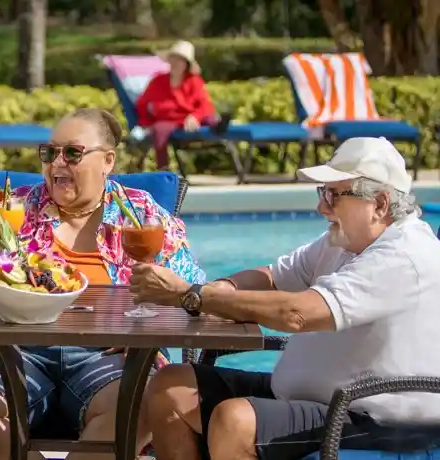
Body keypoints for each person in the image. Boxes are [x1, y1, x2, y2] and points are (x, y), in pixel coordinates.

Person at [129, 136, 440, 460]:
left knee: (235, 421)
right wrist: (223, 289)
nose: (322, 207)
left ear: (379, 204)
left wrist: (194, 296)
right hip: (318, 399)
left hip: (380, 422)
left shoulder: (403, 257)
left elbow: (298, 314)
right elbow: (274, 277)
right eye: (323, 193)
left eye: (334, 195)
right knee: (171, 387)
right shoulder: (343, 241)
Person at [0, 108, 206, 460]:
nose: (57, 163)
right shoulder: (14, 208)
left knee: (143, 404)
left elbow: (192, 289)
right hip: (14, 347)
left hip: (108, 353)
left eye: (72, 152)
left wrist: (147, 322)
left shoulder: (139, 214)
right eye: (50, 152)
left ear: (107, 160)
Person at [132, 40, 229, 170]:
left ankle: (219, 127)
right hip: (167, 120)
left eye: (180, 60)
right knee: (160, 130)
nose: (175, 63)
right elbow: (142, 105)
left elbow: (204, 104)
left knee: (209, 116)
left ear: (186, 64)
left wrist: (194, 116)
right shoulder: (157, 81)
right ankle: (163, 169)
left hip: (190, 119)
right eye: (173, 58)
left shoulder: (194, 81)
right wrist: (147, 124)